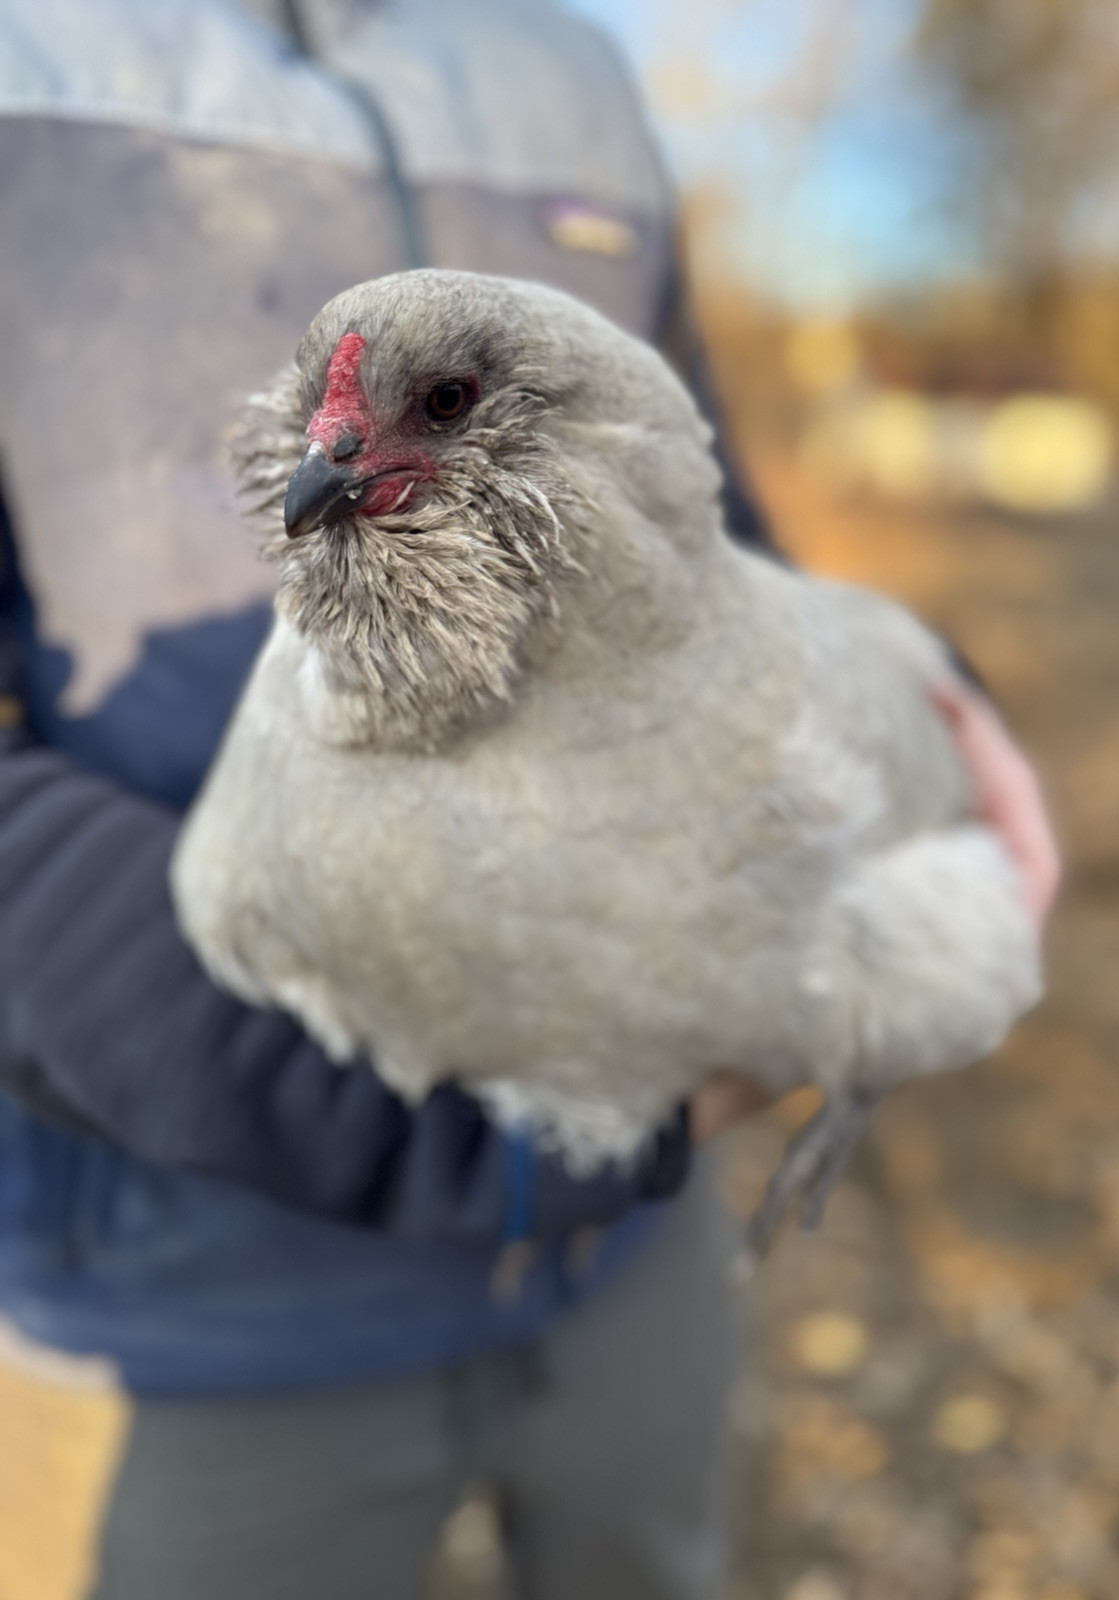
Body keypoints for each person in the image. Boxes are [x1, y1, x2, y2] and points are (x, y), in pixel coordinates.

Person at [0, 3, 1058, 1597]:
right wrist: (404, 1120)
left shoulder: (561, 66)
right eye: (328, 424)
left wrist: (925, 708)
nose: (327, 460)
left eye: (418, 410)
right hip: (193, 1274)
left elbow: (706, 542)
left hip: (638, 1255)